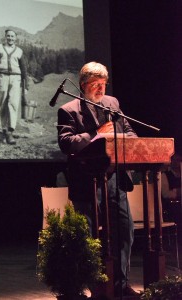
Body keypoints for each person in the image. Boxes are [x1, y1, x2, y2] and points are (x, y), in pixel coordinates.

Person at [57, 61, 139, 297]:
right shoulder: (69, 110)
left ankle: (120, 284)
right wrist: (96, 133)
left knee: (125, 230)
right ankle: (90, 285)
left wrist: (130, 140)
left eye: (103, 84)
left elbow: (128, 129)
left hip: (115, 179)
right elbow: (66, 143)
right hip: (87, 182)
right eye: (95, 84)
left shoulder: (112, 103)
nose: (101, 89)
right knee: (88, 237)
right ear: (83, 85)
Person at [0, 29, 29, 144]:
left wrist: (26, 86)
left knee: (13, 103)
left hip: (16, 78)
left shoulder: (19, 51)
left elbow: (24, 70)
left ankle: (10, 131)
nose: (10, 38)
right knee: (3, 103)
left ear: (15, 38)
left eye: (12, 36)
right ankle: (4, 129)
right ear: (5, 37)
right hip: (3, 77)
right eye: (8, 36)